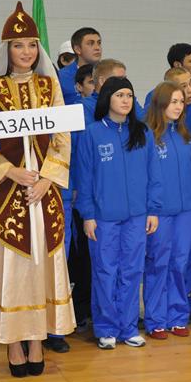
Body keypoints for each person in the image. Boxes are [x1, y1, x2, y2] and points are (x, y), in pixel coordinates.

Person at [0, 2, 74, 377]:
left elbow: (62, 137)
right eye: (18, 45)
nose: (26, 51)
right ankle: (14, 342)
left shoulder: (50, 85)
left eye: (32, 44)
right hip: (9, 191)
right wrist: (12, 172)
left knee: (41, 264)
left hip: (44, 191)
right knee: (13, 266)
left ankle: (36, 340)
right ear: (6, 50)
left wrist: (46, 179)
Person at [75, 76, 161, 349]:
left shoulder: (142, 133)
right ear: (107, 98)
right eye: (120, 95)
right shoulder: (92, 134)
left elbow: (153, 175)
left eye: (129, 95)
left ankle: (128, 327)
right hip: (104, 218)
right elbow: (84, 179)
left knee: (132, 271)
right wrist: (88, 215)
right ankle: (106, 328)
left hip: (136, 216)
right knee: (105, 272)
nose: (126, 100)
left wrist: (152, 210)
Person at [143, 82, 191, 339]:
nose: (178, 107)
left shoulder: (185, 136)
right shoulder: (147, 136)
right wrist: (151, 210)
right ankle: (155, 319)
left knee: (180, 264)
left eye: (181, 102)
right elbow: (144, 178)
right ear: (160, 104)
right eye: (173, 102)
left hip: (186, 211)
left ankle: (177, 316)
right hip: (160, 213)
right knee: (158, 263)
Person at [58, 27, 102, 105]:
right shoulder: (60, 77)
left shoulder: (109, 73)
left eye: (99, 43)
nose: (97, 48)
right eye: (90, 43)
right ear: (77, 49)